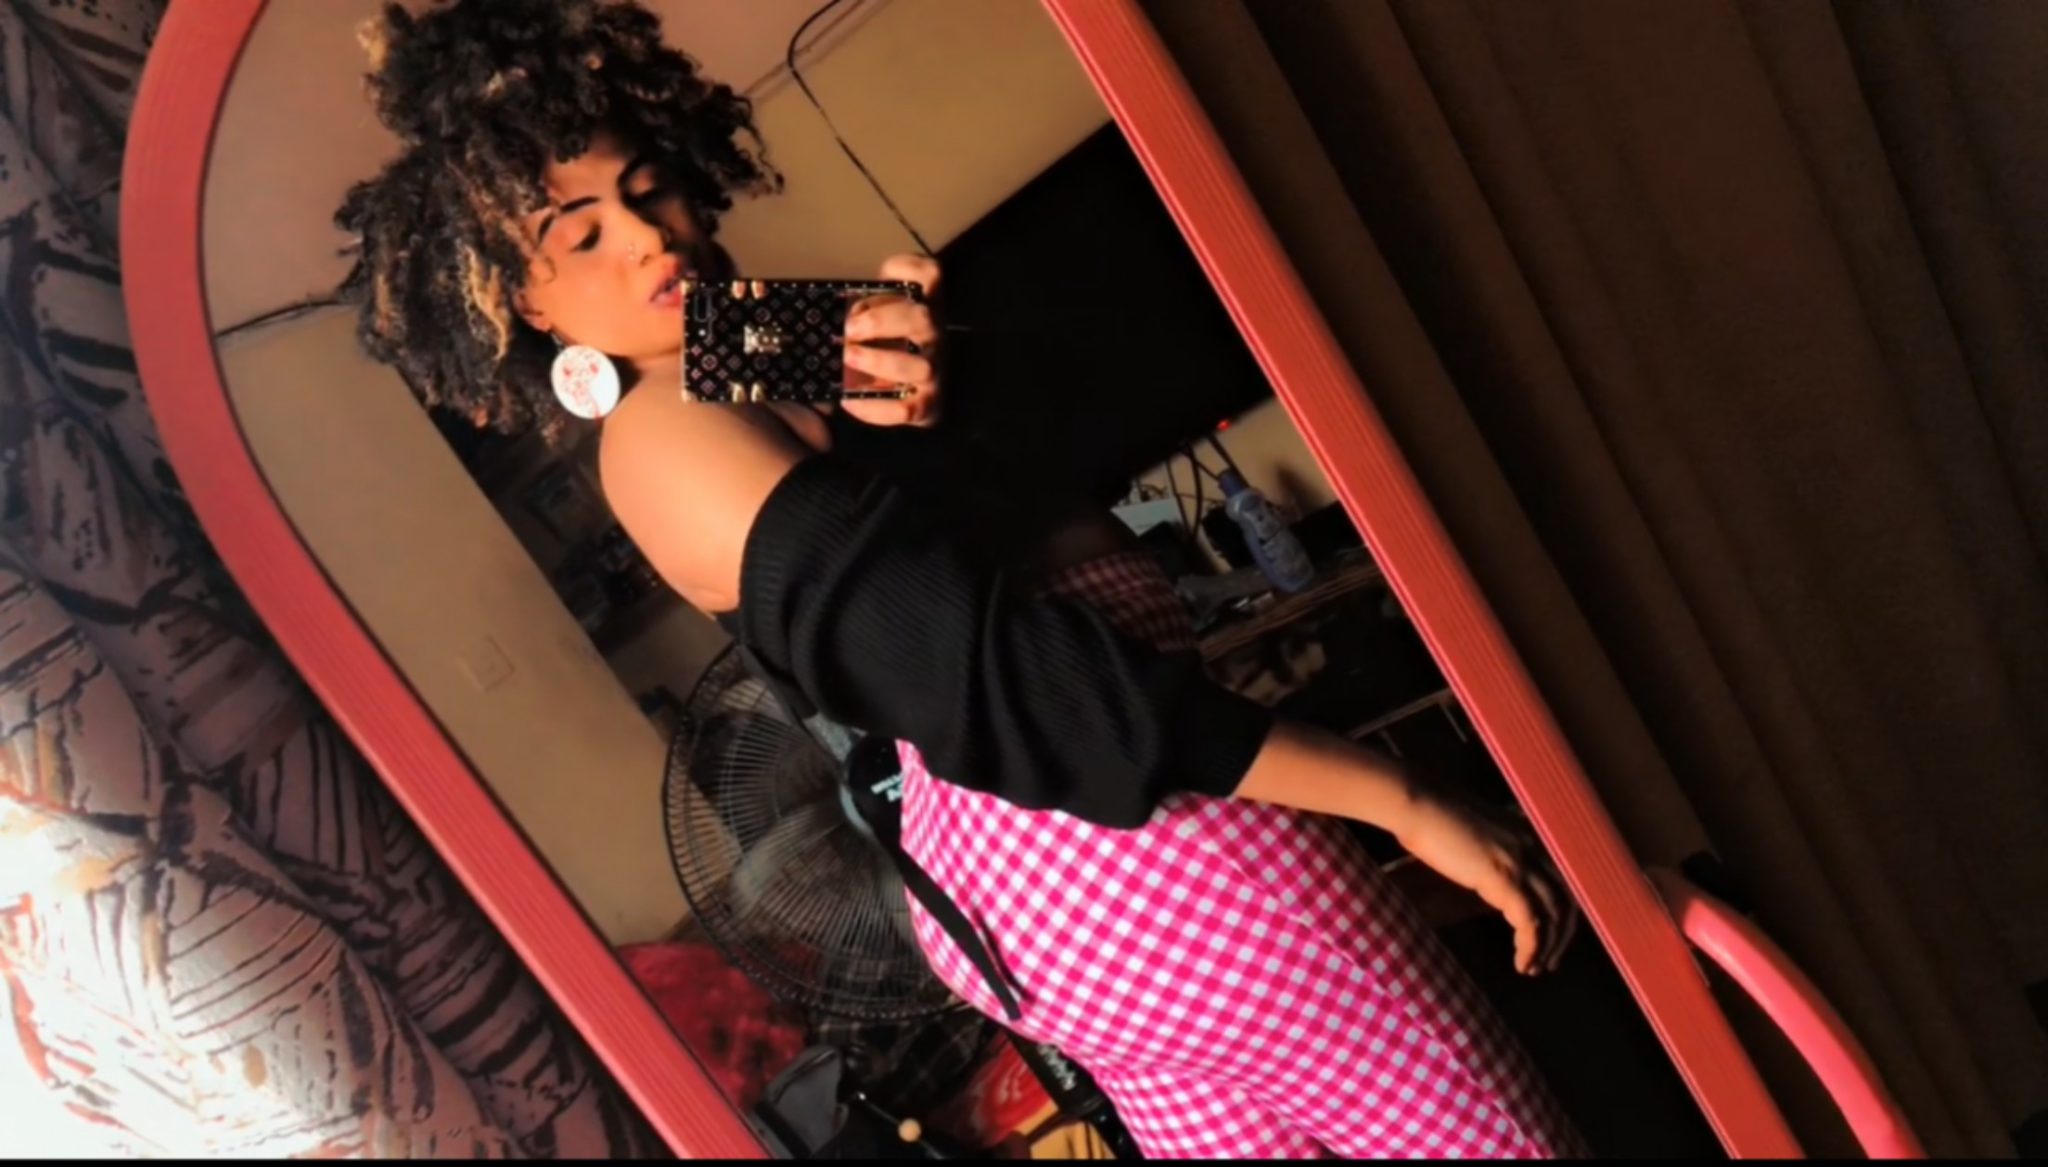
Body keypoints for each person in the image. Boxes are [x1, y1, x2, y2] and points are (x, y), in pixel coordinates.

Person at [335, 1, 1586, 1156]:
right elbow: (1013, 687)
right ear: (521, 302)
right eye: (581, 236)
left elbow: (997, 505)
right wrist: (1396, 795)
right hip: (1129, 847)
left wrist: (927, 383)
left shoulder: (733, 359)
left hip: (1064, 876)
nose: (651, 237)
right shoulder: (663, 437)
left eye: (650, 186)